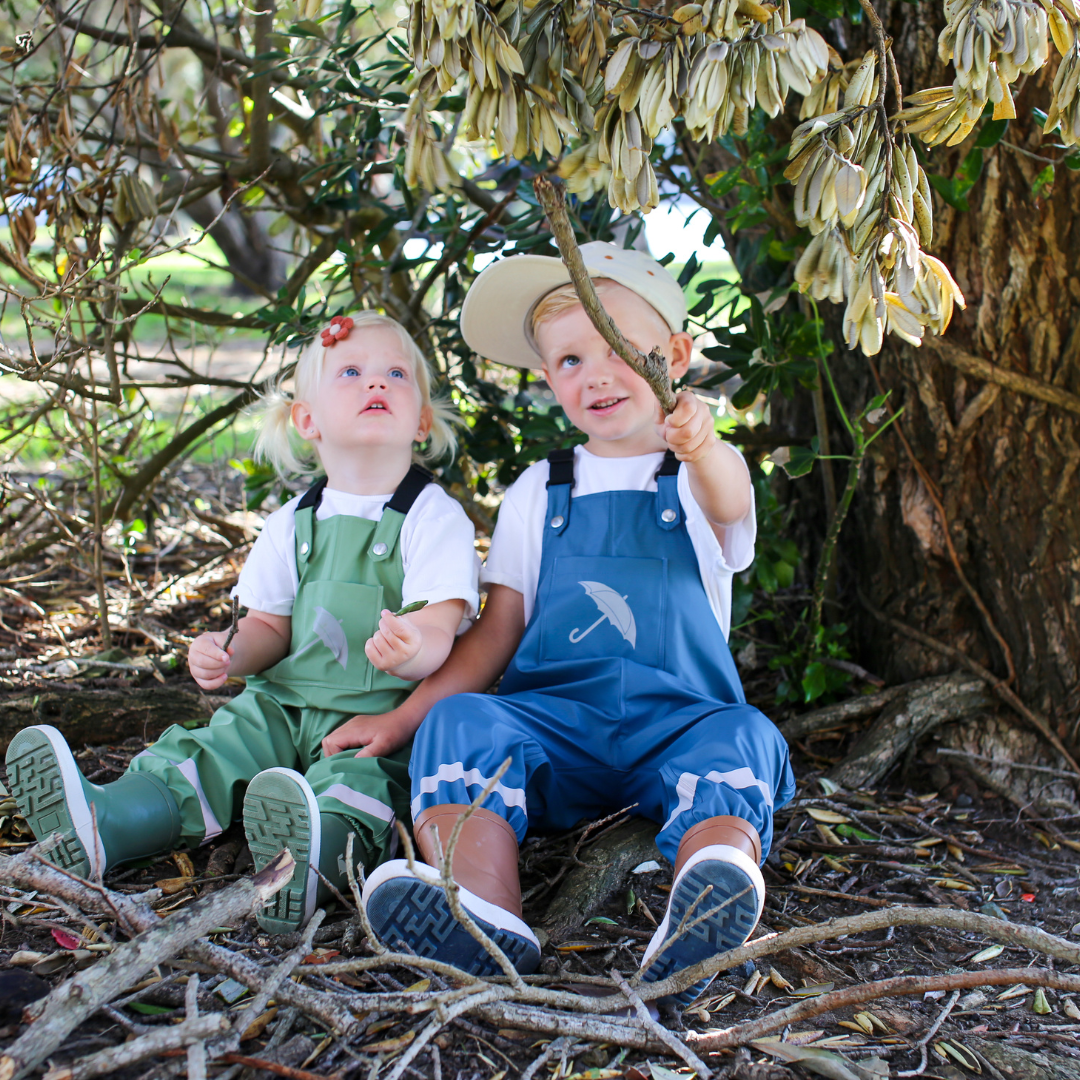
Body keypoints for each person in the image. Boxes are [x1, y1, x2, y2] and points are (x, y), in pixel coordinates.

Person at [332, 242, 795, 1001]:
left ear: (674, 356)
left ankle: (711, 886)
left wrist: (705, 445)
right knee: (460, 725)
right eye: (571, 360)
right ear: (548, 380)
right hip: (555, 730)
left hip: (679, 724)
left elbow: (733, 502)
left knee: (746, 738)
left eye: (619, 347)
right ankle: (480, 911)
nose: (598, 373)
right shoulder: (539, 490)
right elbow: (496, 630)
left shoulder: (700, 476)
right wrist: (409, 718)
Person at [6, 312, 480, 934]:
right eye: (352, 372)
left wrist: (413, 648)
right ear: (306, 420)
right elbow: (269, 627)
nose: (377, 384)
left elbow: (442, 628)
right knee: (214, 750)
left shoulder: (432, 517)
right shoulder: (291, 523)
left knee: (359, 788)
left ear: (421, 419)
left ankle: (311, 863)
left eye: (396, 373)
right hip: (279, 704)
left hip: (379, 717)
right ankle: (110, 822)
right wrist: (231, 655)